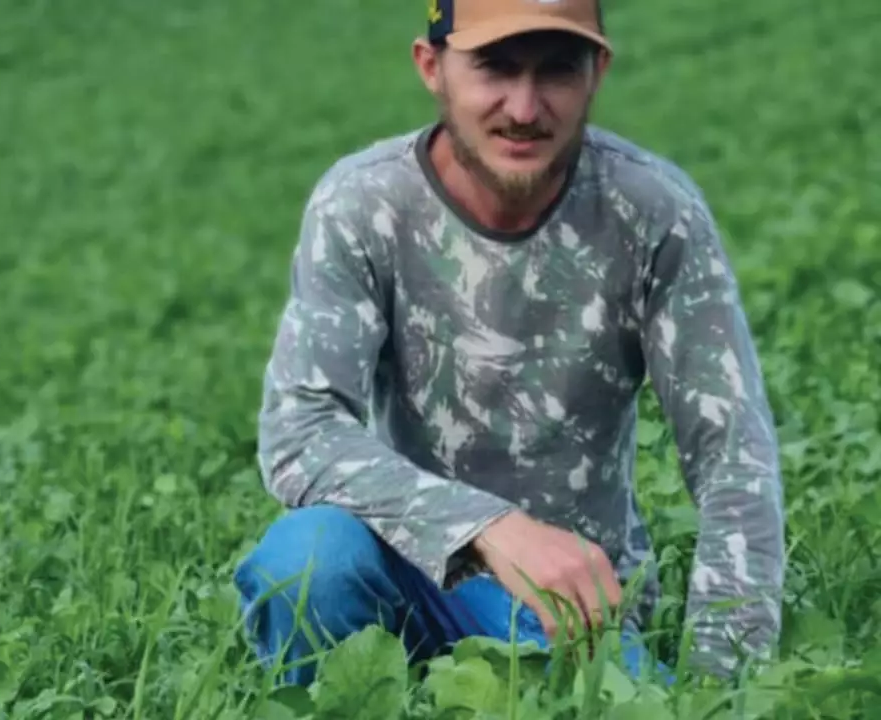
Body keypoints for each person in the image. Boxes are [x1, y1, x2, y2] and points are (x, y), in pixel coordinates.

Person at [233, 0, 786, 689]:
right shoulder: (363, 205)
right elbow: (300, 430)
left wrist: (722, 685)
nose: (523, 108)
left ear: (598, 72)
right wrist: (489, 527)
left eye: (556, 70)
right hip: (400, 570)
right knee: (307, 558)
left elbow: (733, 452)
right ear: (431, 67)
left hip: (569, 604)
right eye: (494, 67)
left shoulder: (652, 212)